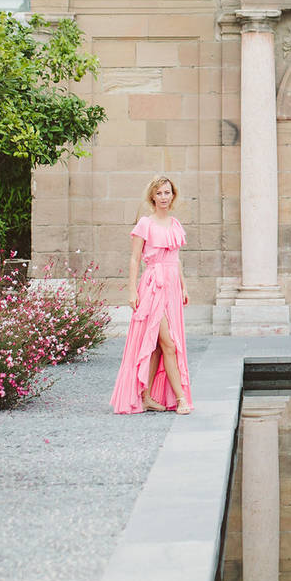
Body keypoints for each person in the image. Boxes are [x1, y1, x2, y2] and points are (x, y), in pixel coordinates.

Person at [110, 175, 194, 415]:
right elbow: (135, 259)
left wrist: (184, 286)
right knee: (169, 342)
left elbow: (176, 260)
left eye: (167, 192)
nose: (164, 197)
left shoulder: (175, 224)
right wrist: (131, 290)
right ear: (152, 197)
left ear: (173, 195)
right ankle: (181, 399)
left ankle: (146, 396)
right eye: (159, 193)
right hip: (153, 287)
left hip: (172, 288)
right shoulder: (145, 224)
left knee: (157, 345)